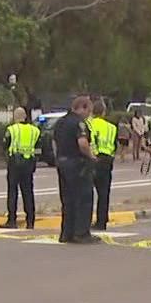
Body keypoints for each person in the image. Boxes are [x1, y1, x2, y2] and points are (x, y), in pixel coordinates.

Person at [52, 96, 97, 243]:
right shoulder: (79, 123)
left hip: (62, 163)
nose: (89, 115)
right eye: (88, 111)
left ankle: (66, 233)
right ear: (82, 108)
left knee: (67, 200)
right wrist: (91, 157)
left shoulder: (60, 122)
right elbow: (83, 143)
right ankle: (82, 233)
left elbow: (54, 142)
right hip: (78, 165)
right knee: (83, 199)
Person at [0, 109, 42, 229]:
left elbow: (5, 145)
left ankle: (12, 220)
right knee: (28, 192)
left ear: (15, 117)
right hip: (29, 164)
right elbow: (39, 149)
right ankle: (30, 221)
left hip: (14, 164)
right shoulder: (35, 131)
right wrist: (35, 160)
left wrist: (7, 157)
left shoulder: (12, 130)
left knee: (13, 192)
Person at [88, 97, 118, 233]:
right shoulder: (112, 127)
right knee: (104, 193)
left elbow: (89, 142)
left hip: (93, 159)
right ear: (104, 112)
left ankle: (86, 220)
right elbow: (114, 146)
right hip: (107, 161)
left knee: (88, 193)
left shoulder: (89, 124)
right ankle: (102, 221)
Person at [128, 108, 150, 173]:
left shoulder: (141, 119)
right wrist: (139, 133)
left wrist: (142, 132)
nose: (139, 114)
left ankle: (138, 156)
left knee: (139, 145)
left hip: (141, 132)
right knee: (135, 145)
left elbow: (142, 126)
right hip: (136, 133)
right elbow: (134, 127)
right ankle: (134, 156)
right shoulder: (134, 119)